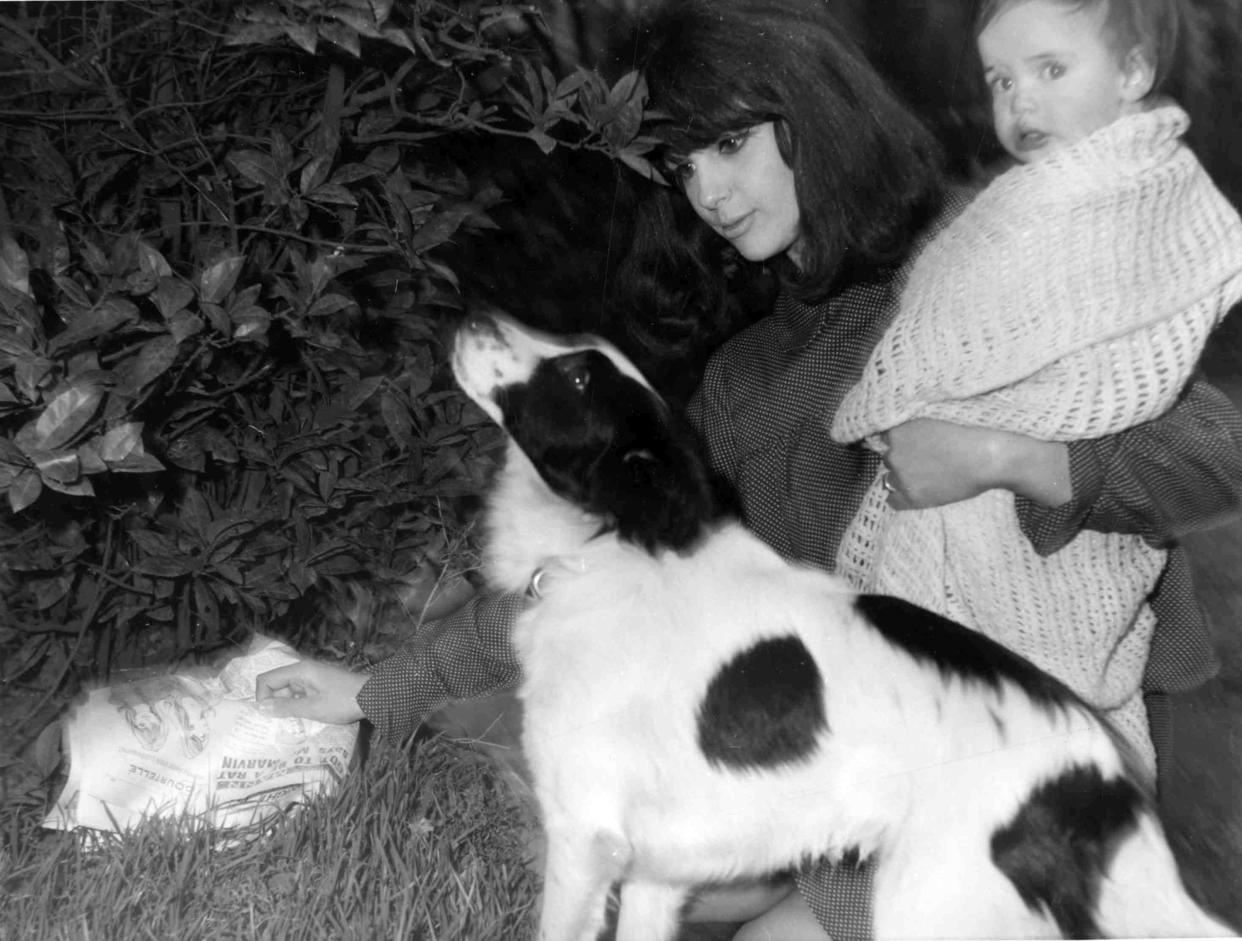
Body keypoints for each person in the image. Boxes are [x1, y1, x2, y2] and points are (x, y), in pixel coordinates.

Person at [255, 0, 1242, 937]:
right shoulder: (748, 374)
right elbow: (621, 550)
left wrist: (1007, 457)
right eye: (682, 164)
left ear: (808, 117)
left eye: (730, 143)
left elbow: (1209, 452)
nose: (710, 192)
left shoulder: (963, 288)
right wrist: (375, 689)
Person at [830, 0, 1242, 773]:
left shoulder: (1157, 213)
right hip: (936, 553)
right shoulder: (999, 213)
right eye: (999, 80)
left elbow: (1208, 449)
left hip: (1061, 571)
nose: (1020, 100)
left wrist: (997, 448)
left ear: (1133, 72)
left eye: (1050, 69)